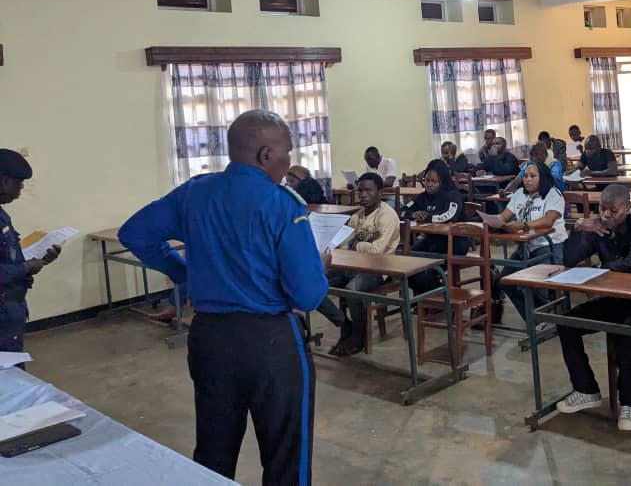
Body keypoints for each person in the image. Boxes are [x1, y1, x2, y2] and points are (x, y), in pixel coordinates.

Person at [119, 110, 328, 483]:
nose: (289, 161)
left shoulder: (195, 191)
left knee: (214, 448)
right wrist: (320, 265)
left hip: (210, 338)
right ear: (266, 155)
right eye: (287, 152)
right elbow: (308, 295)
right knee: (286, 453)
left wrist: (185, 272)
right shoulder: (282, 204)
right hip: (270, 342)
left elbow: (135, 233)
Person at [556, 185, 631, 432]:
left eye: (613, 211)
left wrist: (599, 272)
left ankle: (630, 402)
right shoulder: (598, 228)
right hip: (615, 300)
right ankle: (586, 389)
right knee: (566, 323)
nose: (606, 215)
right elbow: (568, 259)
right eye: (602, 209)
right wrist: (579, 229)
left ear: (627, 209)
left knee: (625, 333)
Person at [315, 173, 400, 357]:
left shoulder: (387, 216)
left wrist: (355, 245)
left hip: (380, 268)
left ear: (380, 193)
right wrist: (354, 247)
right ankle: (344, 324)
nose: (362, 195)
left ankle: (358, 336)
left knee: (353, 290)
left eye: (368, 190)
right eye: (360, 190)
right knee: (314, 283)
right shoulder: (357, 215)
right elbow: (343, 244)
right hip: (353, 265)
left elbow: (377, 250)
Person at [0, 149, 62, 354]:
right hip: (3, 316)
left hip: (10, 311)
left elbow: (9, 255)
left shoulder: (2, 214)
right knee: (10, 375)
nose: (21, 188)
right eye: (19, 182)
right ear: (4, 180)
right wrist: (25, 267)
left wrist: (39, 260)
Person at [497, 161, 568, 325]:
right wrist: (494, 222)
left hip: (548, 245)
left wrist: (524, 225)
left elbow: (549, 220)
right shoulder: (519, 194)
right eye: (525, 176)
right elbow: (505, 215)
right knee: (505, 280)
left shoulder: (553, 194)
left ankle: (553, 317)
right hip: (526, 246)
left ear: (543, 178)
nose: (527, 180)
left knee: (539, 286)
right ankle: (535, 319)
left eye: (532, 176)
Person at [401, 162, 467, 295]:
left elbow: (448, 216)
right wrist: (412, 214)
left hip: (454, 243)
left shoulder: (452, 195)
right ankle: (432, 295)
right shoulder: (422, 196)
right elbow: (402, 210)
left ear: (442, 181)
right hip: (431, 240)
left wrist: (426, 218)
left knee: (424, 271)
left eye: (433, 181)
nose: (428, 184)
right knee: (406, 263)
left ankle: (436, 299)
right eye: (426, 180)